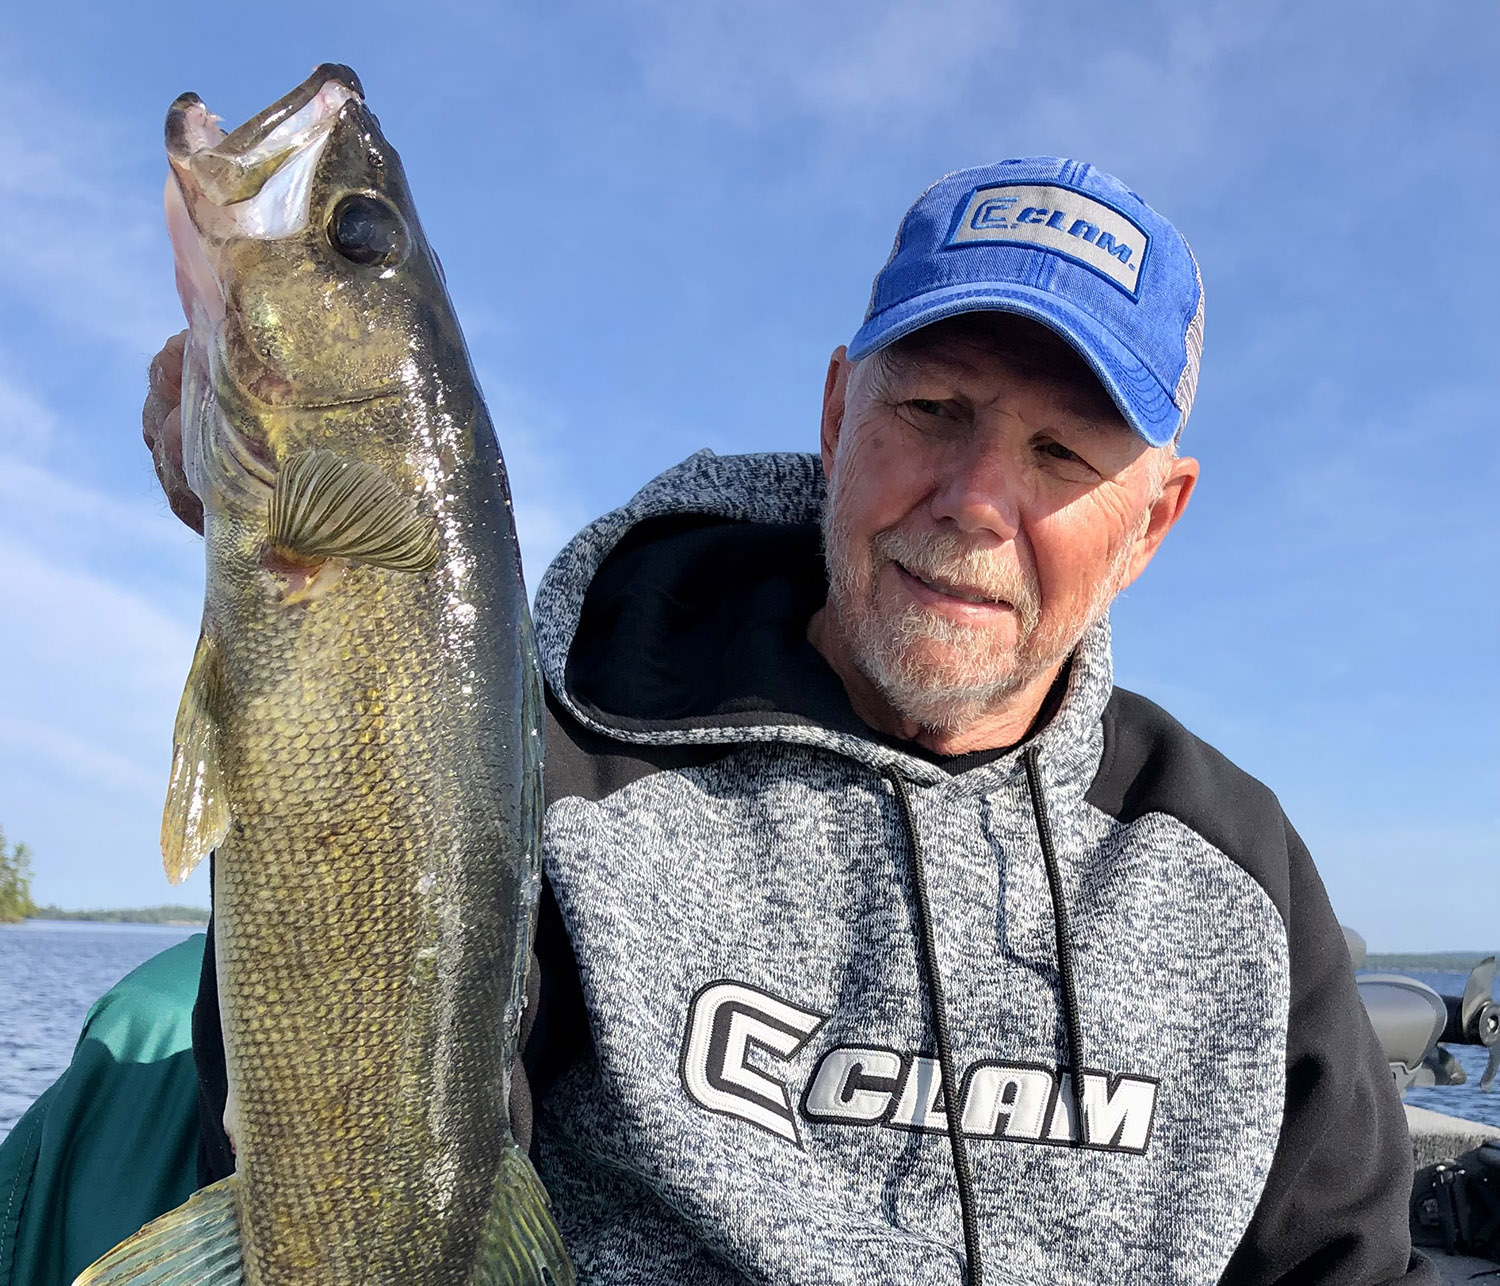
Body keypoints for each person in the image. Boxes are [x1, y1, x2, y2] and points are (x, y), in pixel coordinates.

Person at [1, 158, 1432, 1286]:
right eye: (931, 409)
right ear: (834, 413)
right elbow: (353, 1108)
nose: (975, 504)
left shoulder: (1232, 876)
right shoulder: (569, 761)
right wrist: (274, 564)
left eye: (1061, 451)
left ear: (1153, 520)